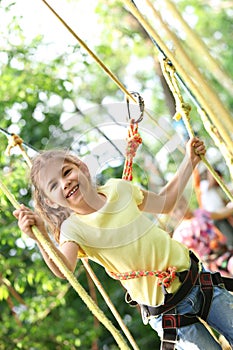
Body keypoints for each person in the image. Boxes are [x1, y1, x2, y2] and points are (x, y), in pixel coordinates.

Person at [13, 137, 233, 350]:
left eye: (67, 172)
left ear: (82, 168)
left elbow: (165, 203)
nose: (65, 182)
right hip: (168, 312)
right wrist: (41, 237)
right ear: (52, 201)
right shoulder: (73, 229)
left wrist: (190, 160)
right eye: (54, 185)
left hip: (198, 282)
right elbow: (64, 269)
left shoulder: (119, 189)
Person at [172, 196, 233, 277]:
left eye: (181, 206)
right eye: (175, 211)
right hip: (210, 264)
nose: (180, 212)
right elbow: (181, 256)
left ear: (186, 202)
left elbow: (220, 214)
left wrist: (230, 207)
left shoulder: (200, 214)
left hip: (223, 251)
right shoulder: (180, 234)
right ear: (171, 215)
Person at [200, 168, 233, 248]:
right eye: (218, 177)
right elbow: (211, 180)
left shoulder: (216, 189)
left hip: (223, 214)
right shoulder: (204, 184)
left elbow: (224, 201)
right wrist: (209, 169)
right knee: (229, 235)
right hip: (216, 216)